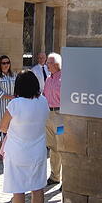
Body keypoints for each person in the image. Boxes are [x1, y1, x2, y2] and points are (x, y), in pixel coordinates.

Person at [0, 71, 49, 203]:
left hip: (17, 153)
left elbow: (2, 126)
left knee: (18, 191)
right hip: (38, 151)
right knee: (38, 188)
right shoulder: (43, 101)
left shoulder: (15, 104)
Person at [43, 52, 62, 185]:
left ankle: (66, 181)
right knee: (53, 147)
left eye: (49, 63)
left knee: (62, 147)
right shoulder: (48, 79)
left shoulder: (64, 79)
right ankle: (55, 176)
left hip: (60, 117)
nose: (46, 65)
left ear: (56, 64)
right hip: (48, 116)